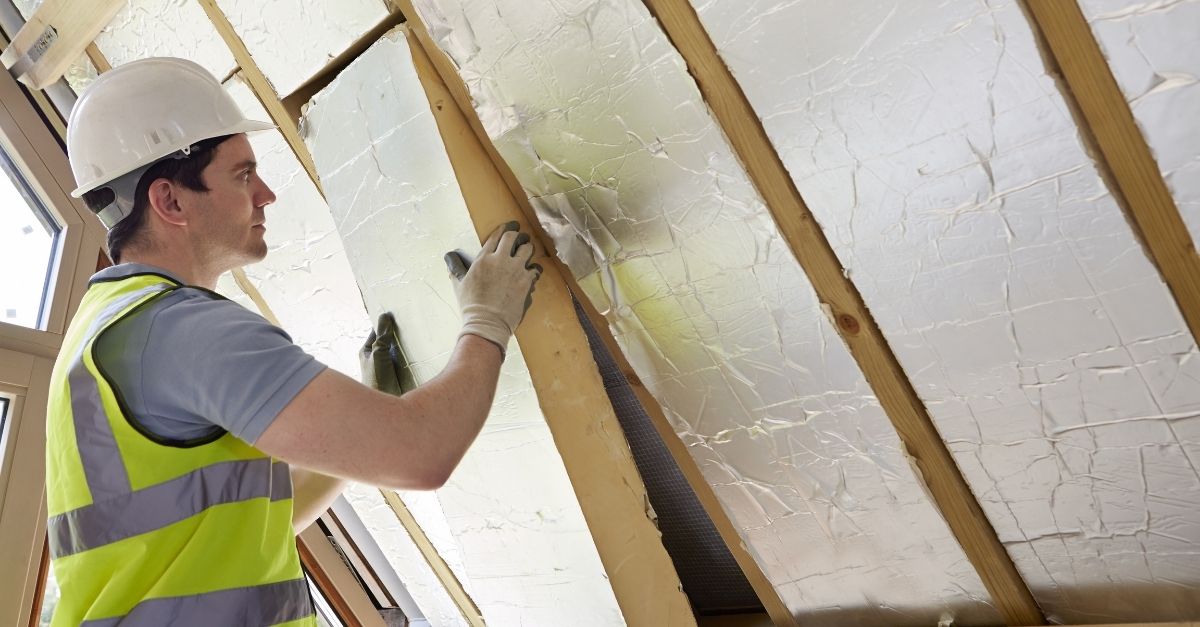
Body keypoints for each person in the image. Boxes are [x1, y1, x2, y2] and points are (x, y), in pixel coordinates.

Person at [44, 57, 541, 626]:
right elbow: (421, 455)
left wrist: (353, 431)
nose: (267, 194)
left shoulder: (101, 329)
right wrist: (487, 320)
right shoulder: (182, 331)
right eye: (242, 174)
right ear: (171, 202)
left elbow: (249, 526)